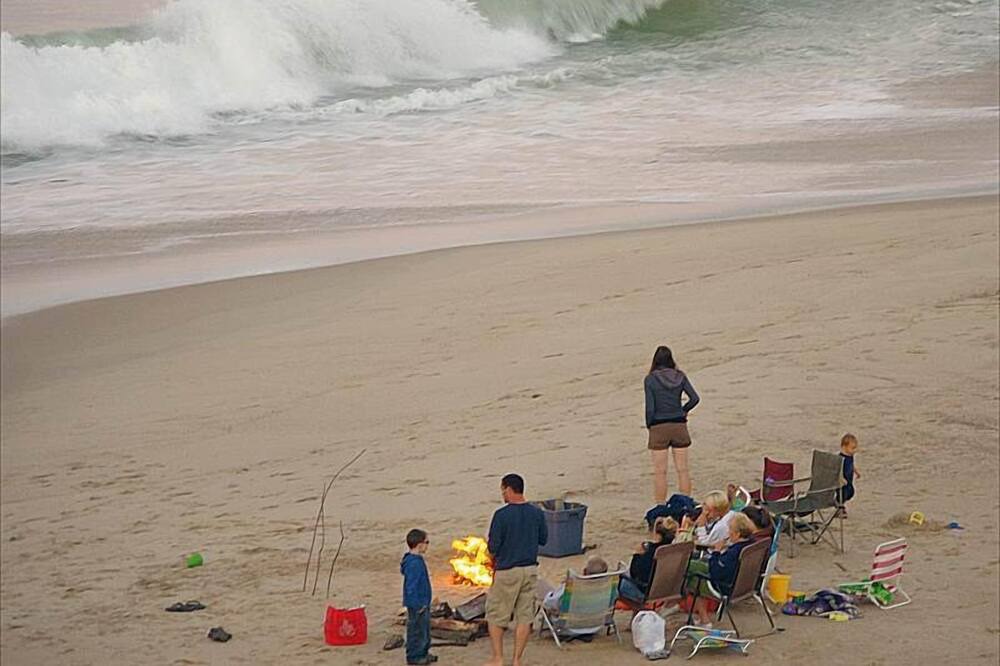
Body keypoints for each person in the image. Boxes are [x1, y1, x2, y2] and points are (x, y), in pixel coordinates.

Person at [485, 474, 548, 666]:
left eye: (503, 490)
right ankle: (517, 659)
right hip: (530, 569)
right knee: (524, 616)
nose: (502, 494)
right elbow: (543, 539)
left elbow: (493, 546)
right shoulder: (537, 513)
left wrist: (491, 558)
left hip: (507, 570)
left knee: (496, 615)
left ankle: (498, 658)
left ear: (508, 489)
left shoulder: (501, 515)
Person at [645, 345, 700, 503]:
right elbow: (694, 398)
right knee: (682, 469)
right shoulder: (680, 376)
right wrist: (683, 410)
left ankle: (660, 506)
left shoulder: (650, 379)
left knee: (660, 472)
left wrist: (650, 425)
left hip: (659, 425)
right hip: (678, 424)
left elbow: (650, 407)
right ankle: (686, 504)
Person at [688, 513, 757, 627]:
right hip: (744, 585)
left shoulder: (734, 553)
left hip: (724, 587)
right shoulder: (751, 545)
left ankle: (705, 620)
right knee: (695, 567)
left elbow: (716, 572)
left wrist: (716, 551)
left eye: (730, 530)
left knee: (693, 575)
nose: (728, 533)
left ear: (737, 534)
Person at [618, 517, 678, 605]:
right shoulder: (675, 551)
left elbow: (635, 574)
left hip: (647, 593)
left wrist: (637, 555)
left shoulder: (652, 552)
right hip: (667, 590)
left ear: (658, 535)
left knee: (621, 581)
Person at [400, 529, 437, 665]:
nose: (428, 545)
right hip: (417, 604)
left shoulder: (417, 560)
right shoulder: (414, 564)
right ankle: (415, 656)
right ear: (420, 544)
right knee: (417, 631)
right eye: (427, 542)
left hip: (423, 602)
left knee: (424, 630)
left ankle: (423, 652)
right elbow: (411, 587)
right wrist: (417, 604)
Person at [541, 556, 610, 612]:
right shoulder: (608, 591)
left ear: (585, 571)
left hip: (568, 622)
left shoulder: (573, 588)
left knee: (540, 585)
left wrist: (554, 592)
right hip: (597, 621)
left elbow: (549, 603)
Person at [839, 433, 861, 513]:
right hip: (842, 481)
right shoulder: (841, 458)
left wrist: (856, 472)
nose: (855, 450)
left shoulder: (850, 456)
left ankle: (841, 505)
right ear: (844, 447)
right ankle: (840, 507)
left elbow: (851, 465)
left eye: (855, 448)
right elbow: (837, 470)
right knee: (843, 494)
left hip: (849, 479)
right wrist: (840, 479)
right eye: (852, 448)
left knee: (851, 492)